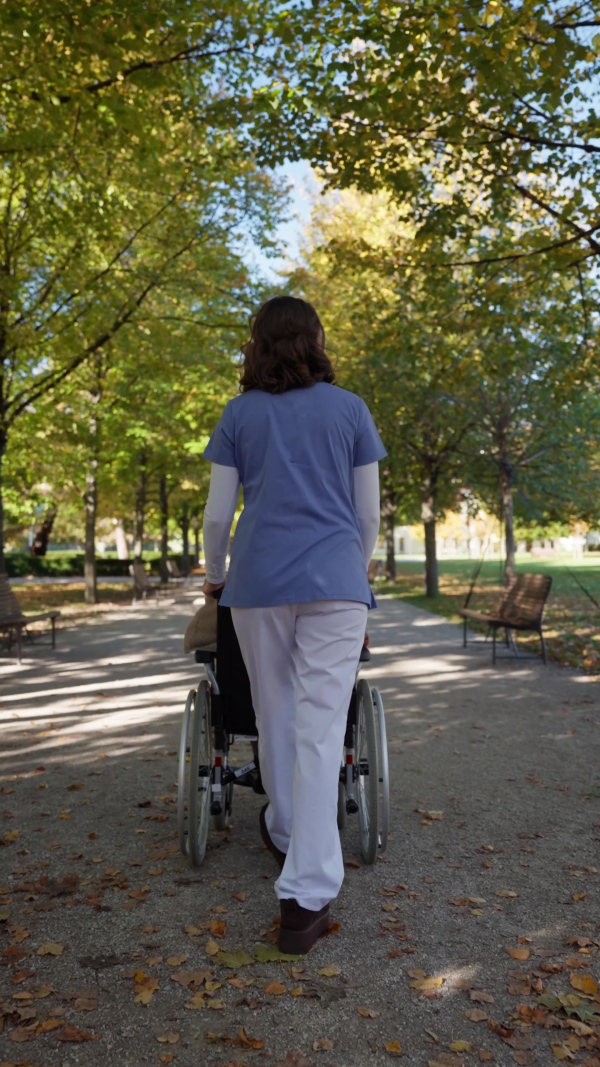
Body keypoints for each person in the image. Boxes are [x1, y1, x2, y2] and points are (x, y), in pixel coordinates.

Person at [202, 295, 386, 953]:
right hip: (335, 583)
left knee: (275, 714)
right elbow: (368, 516)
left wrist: (214, 570)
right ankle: (304, 896)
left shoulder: (239, 415)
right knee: (320, 726)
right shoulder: (351, 410)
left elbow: (220, 516)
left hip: (257, 583)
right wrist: (350, 567)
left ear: (256, 344)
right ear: (316, 339)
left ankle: (284, 829)